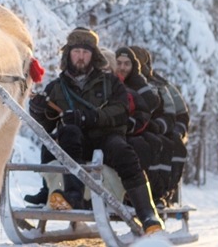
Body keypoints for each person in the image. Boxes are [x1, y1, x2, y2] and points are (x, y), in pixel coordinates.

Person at [29, 28, 164, 234]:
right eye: (76, 52)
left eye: (86, 52)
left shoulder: (111, 83)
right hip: (74, 143)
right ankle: (72, 196)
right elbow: (47, 127)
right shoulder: (56, 87)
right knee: (68, 133)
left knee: (124, 153)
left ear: (94, 55)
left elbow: (120, 112)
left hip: (107, 138)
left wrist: (88, 117)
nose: (81, 57)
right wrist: (38, 111)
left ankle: (147, 215)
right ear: (68, 54)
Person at [114, 47, 175, 208]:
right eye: (119, 63)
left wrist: (157, 126)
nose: (122, 67)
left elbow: (152, 103)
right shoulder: (111, 80)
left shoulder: (141, 81)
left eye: (127, 64)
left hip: (139, 128)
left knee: (159, 144)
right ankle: (133, 195)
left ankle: (156, 194)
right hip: (118, 130)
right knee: (141, 146)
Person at [131, 46, 190, 207]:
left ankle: (165, 191)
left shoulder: (161, 85)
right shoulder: (121, 81)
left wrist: (175, 130)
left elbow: (179, 112)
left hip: (161, 129)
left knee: (173, 147)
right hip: (138, 130)